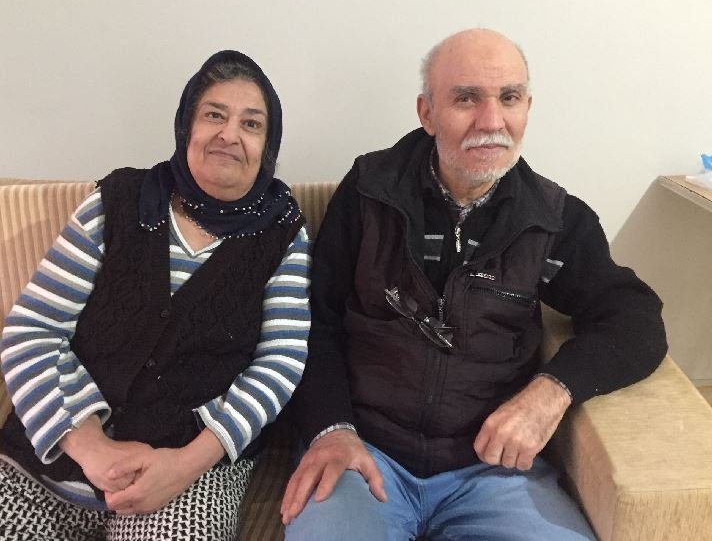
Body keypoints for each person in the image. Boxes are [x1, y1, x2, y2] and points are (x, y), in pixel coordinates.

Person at [280, 29, 666, 540]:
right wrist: (331, 429)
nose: (491, 121)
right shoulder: (369, 193)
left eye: (509, 97)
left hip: (493, 471)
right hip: (364, 456)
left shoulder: (554, 220)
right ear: (427, 112)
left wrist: (551, 392)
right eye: (466, 98)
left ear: (528, 107)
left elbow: (635, 319)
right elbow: (314, 321)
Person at [0, 50, 310, 540]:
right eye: (214, 115)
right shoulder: (120, 201)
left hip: (189, 472)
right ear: (187, 126)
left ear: (267, 145)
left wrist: (187, 463)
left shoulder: (281, 231)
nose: (229, 134)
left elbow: (281, 361)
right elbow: (31, 330)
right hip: (49, 460)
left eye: (251, 124)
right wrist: (90, 446)